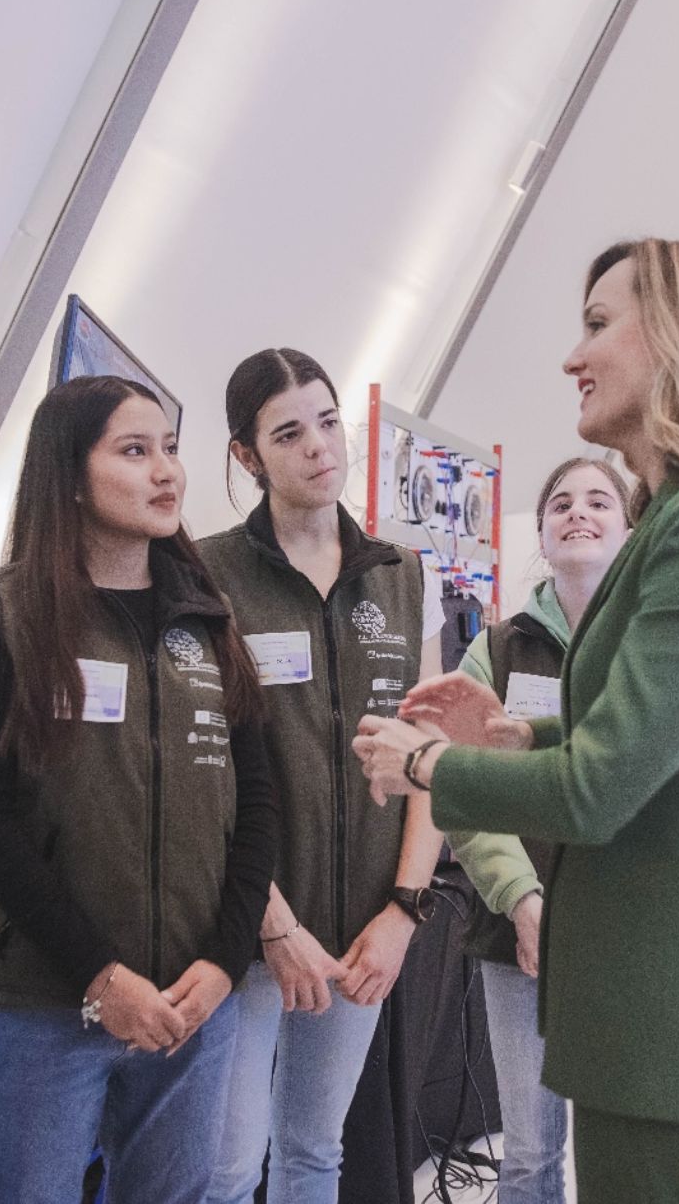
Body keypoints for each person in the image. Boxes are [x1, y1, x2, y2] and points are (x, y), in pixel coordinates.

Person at [354, 238, 679, 1202]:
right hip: (662, 1021)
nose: (573, 358)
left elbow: (603, 786)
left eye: (598, 325)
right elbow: (676, 751)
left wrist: (429, 767)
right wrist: (519, 738)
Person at [0, 376, 279, 1202]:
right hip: (42, 1008)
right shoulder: (4, 611)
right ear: (69, 475)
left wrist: (225, 962)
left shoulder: (212, 620)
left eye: (169, 447)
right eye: (135, 451)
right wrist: (100, 976)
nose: (166, 471)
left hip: (191, 1006)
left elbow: (260, 807)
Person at [201, 348, 447, 1203]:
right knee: (228, 1166)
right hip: (249, 928)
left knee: (314, 1151)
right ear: (246, 455)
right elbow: (207, 773)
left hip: (363, 933)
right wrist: (271, 922)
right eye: (288, 431)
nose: (318, 446)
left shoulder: (403, 575)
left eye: (329, 421)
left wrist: (405, 911)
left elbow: (431, 758)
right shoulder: (210, 576)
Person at [450, 457, 633, 1203]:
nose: (578, 512)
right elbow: (464, 790)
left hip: (635, 939)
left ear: (631, 530)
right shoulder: (494, 650)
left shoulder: (653, 646)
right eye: (561, 502)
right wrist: (522, 898)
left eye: (599, 500)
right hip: (515, 940)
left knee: (624, 1149)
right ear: (543, 532)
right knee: (529, 1153)